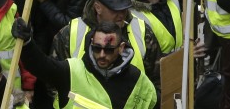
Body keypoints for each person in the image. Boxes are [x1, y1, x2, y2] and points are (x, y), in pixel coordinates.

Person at [11, 16, 156, 109]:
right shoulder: (72, 71)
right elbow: (41, 65)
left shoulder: (139, 81)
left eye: (109, 50)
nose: (102, 55)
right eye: (97, 48)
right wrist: (27, 43)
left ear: (121, 48)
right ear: (91, 44)